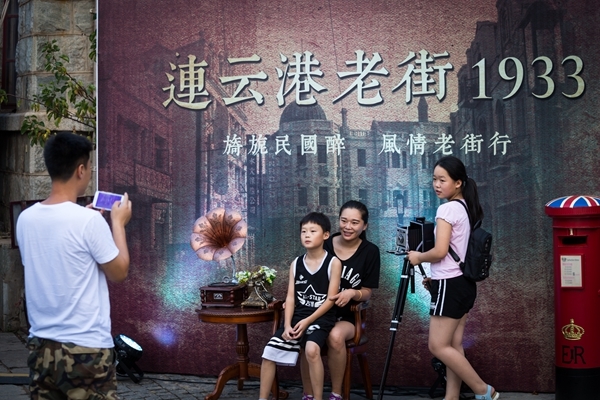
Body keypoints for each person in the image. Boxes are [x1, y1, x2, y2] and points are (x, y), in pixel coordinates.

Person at [16, 132, 132, 400]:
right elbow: (119, 272)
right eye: (89, 166)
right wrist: (117, 224)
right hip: (86, 349)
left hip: (41, 347)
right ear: (81, 170)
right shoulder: (89, 222)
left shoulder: (25, 219)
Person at [407, 155, 499, 400]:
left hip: (450, 283)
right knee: (454, 344)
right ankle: (451, 397)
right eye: (434, 179)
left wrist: (417, 257)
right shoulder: (465, 207)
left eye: (442, 180)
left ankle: (483, 390)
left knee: (437, 346)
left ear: (458, 183)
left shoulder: (446, 209)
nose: (437, 185)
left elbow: (439, 251)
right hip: (462, 283)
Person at [301, 200, 381, 400]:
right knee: (305, 332)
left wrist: (352, 293)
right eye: (344, 221)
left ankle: (336, 394)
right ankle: (308, 394)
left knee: (335, 336)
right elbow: (306, 273)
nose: (348, 227)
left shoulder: (370, 251)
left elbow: (367, 292)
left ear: (364, 226)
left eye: (354, 222)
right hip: (318, 311)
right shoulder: (325, 243)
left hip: (348, 317)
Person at [259, 212, 342, 400]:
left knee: (312, 349)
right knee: (268, 353)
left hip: (321, 318)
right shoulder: (296, 263)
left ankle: (317, 397)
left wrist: (307, 321)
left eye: (313, 231)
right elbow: (290, 298)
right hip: (298, 318)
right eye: (304, 231)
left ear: (326, 235)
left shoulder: (333, 262)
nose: (307, 235)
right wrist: (288, 325)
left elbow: (331, 300)